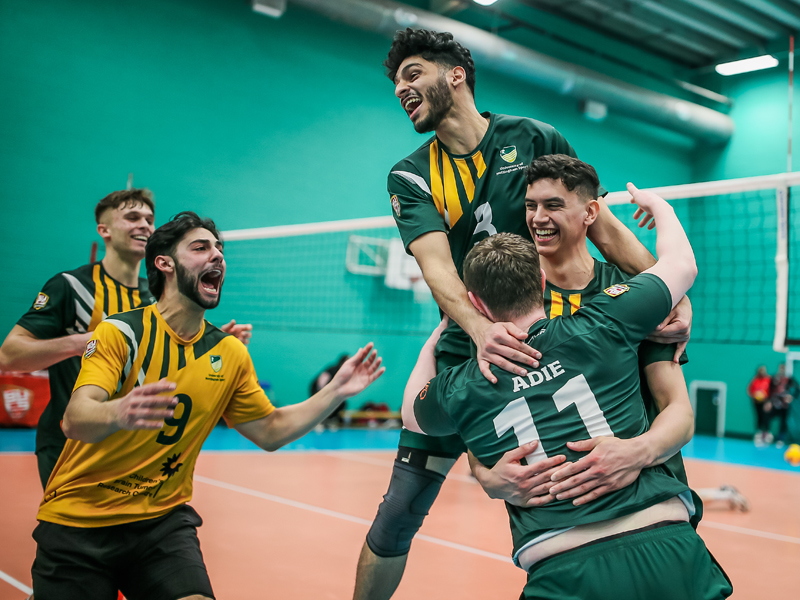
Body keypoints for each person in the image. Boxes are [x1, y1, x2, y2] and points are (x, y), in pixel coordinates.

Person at [353, 29, 692, 599]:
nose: (400, 90)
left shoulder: (533, 137)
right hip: (474, 340)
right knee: (399, 513)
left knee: (638, 462)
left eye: (412, 75)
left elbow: (600, 223)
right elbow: (436, 267)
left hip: (562, 327)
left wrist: (667, 294)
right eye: (395, 83)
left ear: (455, 74)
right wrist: (481, 331)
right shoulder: (410, 175)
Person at [30, 212, 385, 599]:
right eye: (201, 247)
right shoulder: (121, 332)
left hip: (161, 523)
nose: (217, 255)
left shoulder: (228, 351)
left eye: (219, 249)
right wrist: (120, 411)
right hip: (80, 520)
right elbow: (74, 419)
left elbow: (269, 430)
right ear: (164, 264)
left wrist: (334, 391)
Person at [402, 189, 731, 598]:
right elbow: (682, 265)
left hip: (562, 566)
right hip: (669, 545)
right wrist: (657, 205)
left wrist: (433, 342)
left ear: (476, 304)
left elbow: (412, 413)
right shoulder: (601, 322)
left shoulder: (464, 384)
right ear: (540, 282)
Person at [0, 189, 252, 489]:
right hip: (71, 441)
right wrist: (87, 342)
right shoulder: (71, 287)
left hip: (137, 448)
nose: (144, 225)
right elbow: (9, 355)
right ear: (103, 230)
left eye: (149, 219)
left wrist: (211, 342)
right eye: (132, 217)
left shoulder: (160, 295)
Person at [767, 364, 796, 447]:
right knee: (767, 417)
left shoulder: (789, 379)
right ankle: (767, 435)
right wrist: (769, 401)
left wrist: (791, 396)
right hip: (775, 403)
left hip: (785, 405)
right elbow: (770, 389)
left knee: (783, 422)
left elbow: (795, 389)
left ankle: (780, 439)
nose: (782, 369)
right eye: (781, 367)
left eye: (784, 368)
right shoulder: (774, 378)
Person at [747, 365, 772, 446]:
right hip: (757, 402)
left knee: (766, 417)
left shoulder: (768, 379)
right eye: (760, 370)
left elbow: (772, 391)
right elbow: (749, 390)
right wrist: (754, 396)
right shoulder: (755, 379)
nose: (762, 372)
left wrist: (768, 401)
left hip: (766, 402)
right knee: (758, 417)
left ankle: (766, 435)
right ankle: (758, 434)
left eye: (763, 370)